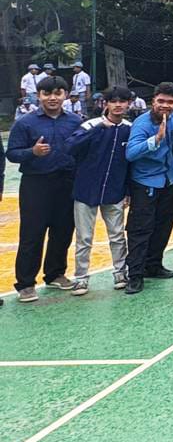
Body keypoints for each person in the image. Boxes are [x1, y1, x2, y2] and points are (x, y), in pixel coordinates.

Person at [6, 75, 81, 302]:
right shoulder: (25, 123)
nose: (52, 98)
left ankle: (55, 273)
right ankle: (26, 283)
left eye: (58, 93)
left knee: (63, 230)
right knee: (32, 233)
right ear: (38, 95)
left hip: (66, 182)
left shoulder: (75, 121)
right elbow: (12, 153)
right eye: (47, 93)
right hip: (36, 184)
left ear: (65, 96)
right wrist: (32, 153)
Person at [65, 86, 134, 295]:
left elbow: (131, 163)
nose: (118, 105)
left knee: (117, 235)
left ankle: (120, 273)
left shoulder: (129, 129)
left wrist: (128, 190)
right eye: (114, 101)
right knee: (84, 237)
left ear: (129, 104)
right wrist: (99, 129)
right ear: (105, 104)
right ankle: (81, 278)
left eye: (123, 101)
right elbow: (70, 146)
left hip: (114, 191)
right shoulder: (90, 125)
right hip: (86, 191)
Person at [123, 83, 173, 293]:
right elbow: (130, 153)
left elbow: (172, 145)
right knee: (140, 230)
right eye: (161, 101)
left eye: (170, 102)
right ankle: (135, 275)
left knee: (164, 224)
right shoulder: (142, 124)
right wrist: (154, 140)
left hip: (168, 180)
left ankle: (154, 265)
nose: (165, 106)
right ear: (153, 101)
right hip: (146, 183)